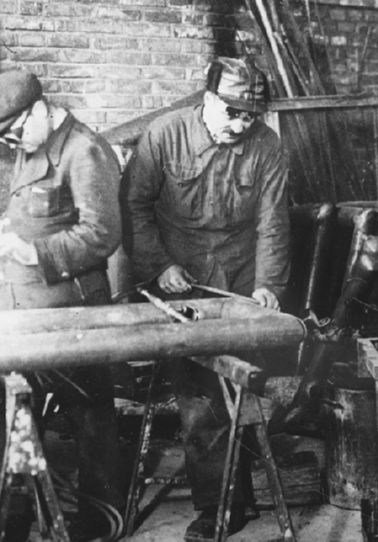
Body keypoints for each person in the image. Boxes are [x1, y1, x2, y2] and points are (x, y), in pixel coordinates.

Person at [120, 56, 290, 541]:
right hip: (181, 280)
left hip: (238, 278)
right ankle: (220, 507)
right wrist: (159, 266)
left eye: (251, 116)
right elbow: (133, 207)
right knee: (201, 400)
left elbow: (273, 221)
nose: (241, 125)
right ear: (208, 100)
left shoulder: (267, 146)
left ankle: (238, 496)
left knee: (237, 390)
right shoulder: (164, 134)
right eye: (232, 112)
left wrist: (268, 285)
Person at [0, 70, 123, 541]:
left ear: (40, 109)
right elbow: (32, 211)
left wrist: (37, 253)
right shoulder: (31, 144)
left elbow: (103, 235)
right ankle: (14, 516)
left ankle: (100, 518)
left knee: (89, 415)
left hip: (72, 309)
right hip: (26, 306)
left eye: (15, 131)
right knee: (15, 408)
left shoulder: (85, 151)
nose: (14, 143)